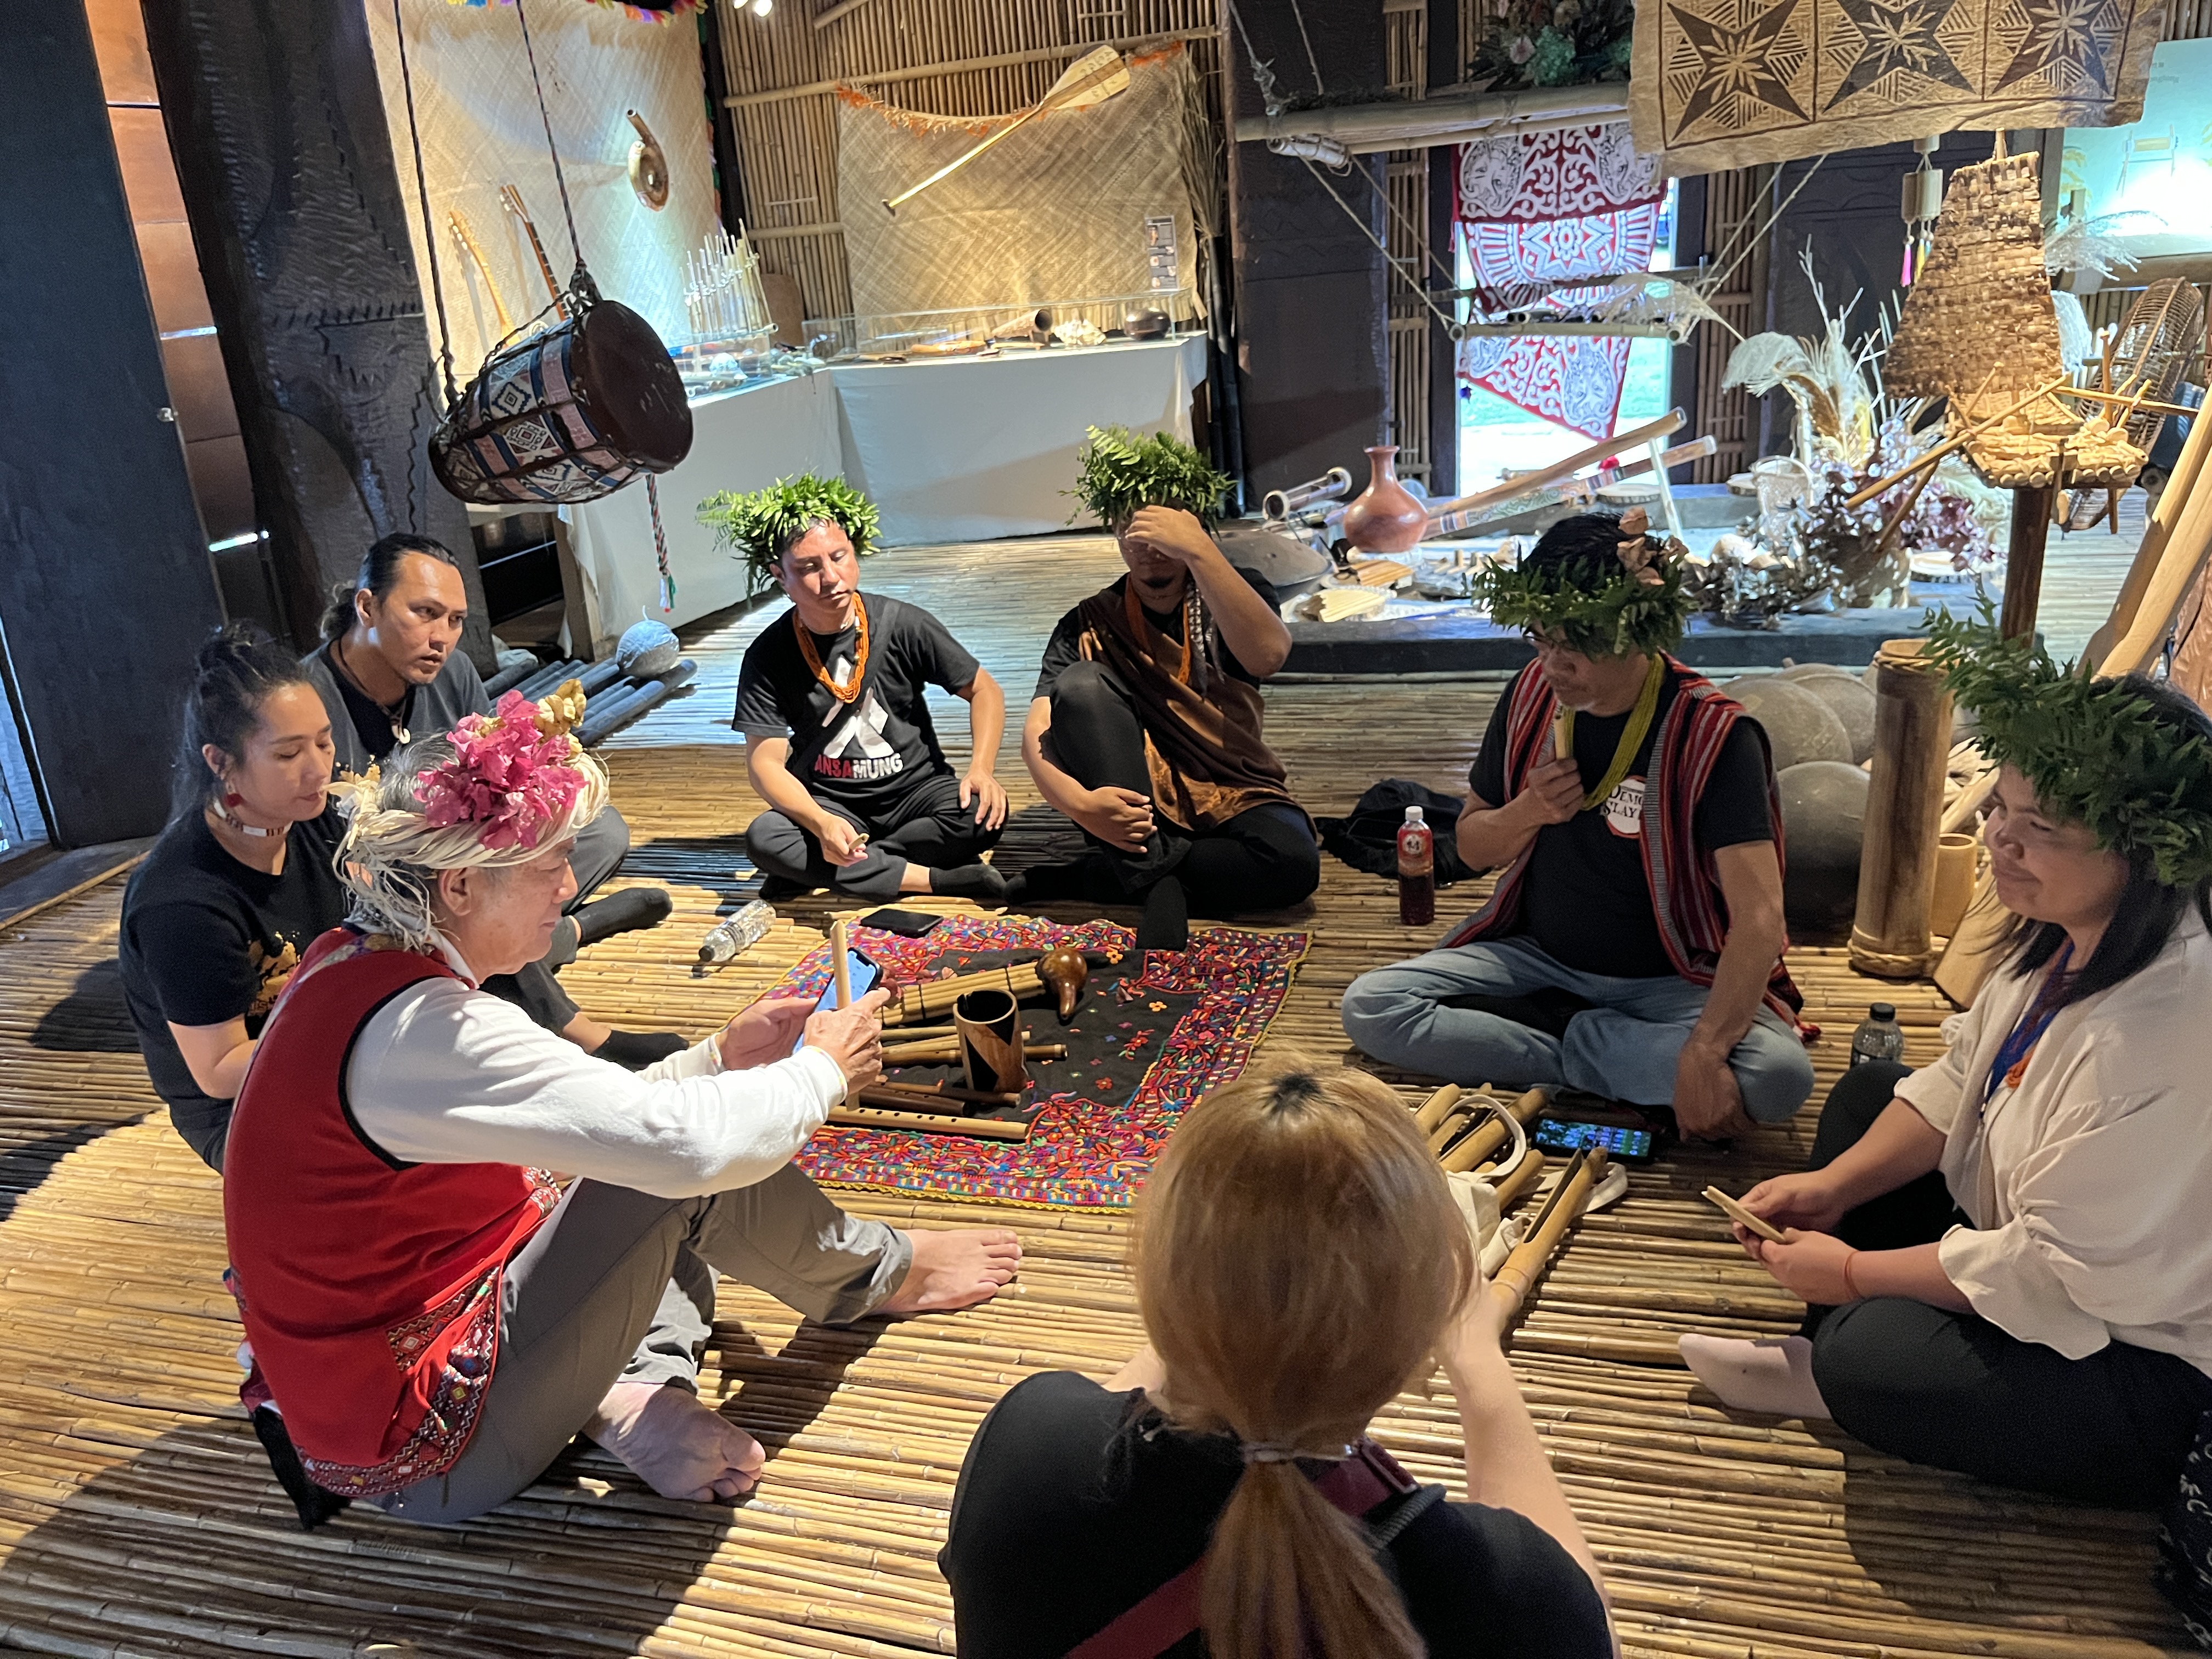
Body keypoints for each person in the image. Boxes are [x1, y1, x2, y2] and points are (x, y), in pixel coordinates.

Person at [222, 689, 1023, 1525]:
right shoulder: (430, 1030)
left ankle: (639, 1391)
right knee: (689, 1172)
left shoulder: (352, 964)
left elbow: (580, 1132)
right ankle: (877, 1275)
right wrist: (822, 1071)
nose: (570, 886)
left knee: (647, 1163)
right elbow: (685, 1152)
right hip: (423, 1458)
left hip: (385, 1386)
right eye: (548, 866)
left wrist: (719, 1057)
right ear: (458, 885)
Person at [1681, 613, 2212, 1513]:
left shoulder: (2167, 1025)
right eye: (2000, 805)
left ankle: (1844, 1358)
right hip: (2036, 1245)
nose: (1999, 838)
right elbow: (1962, 1078)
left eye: (2036, 825)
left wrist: (1851, 1272)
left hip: (2142, 1359)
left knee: (1864, 1351)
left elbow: (2053, 1269)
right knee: (1865, 1098)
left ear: (2144, 853)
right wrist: (1834, 1190)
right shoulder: (2067, 934)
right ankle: (1859, 1328)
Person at [941, 1062, 1612, 1658]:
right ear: (1418, 1331)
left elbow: (1152, 1391)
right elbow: (1590, 1630)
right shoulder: (1504, 1588)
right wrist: (1480, 1365)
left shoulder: (1026, 1448)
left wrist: (1221, 1289)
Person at [119, 626, 690, 1172]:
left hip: (354, 1016)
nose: (319, 768)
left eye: (323, 741)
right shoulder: (182, 902)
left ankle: (579, 979)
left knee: (465, 906)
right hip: (253, 1105)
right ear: (221, 763)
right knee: (466, 1127)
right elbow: (220, 1072)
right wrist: (371, 1032)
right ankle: (581, 936)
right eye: (290, 755)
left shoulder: (314, 814)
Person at [1341, 511, 1812, 1138]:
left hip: (1669, 982)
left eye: (1577, 643)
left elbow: (1759, 920)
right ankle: (1603, 1056)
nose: (1555, 664)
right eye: (1541, 638)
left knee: (1779, 1076)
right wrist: (1530, 810)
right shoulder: (1533, 693)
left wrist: (1701, 1050)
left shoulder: (1715, 735)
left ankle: (1561, 1042)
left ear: (1638, 629)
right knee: (1372, 1007)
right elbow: (1474, 847)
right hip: (1538, 962)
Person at [301, 532, 672, 1053]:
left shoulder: (452, 672)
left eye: (455, 620)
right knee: (451, 897)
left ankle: (557, 934)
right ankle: (575, 1012)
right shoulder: (306, 704)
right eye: (425, 612)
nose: (442, 637)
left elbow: (498, 781)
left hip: (469, 865)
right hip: (371, 886)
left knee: (599, 830)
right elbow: (311, 846)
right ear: (367, 606)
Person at [1019, 427, 1319, 950]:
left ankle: (1118, 876)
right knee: (1081, 684)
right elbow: (1037, 732)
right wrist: (1080, 806)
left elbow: (1268, 655)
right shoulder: (1089, 621)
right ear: (1115, 533)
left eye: (1166, 533)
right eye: (1135, 530)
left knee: (1293, 864)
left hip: (1231, 784)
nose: (1150, 549)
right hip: (1132, 802)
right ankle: (1157, 881)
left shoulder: (1232, 591)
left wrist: (1203, 554)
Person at [710, 475, 1010, 902]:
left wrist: (981, 769)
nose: (831, 577)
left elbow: (985, 692)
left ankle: (833, 867)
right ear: (780, 576)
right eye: (809, 568)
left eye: (839, 557)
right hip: (832, 801)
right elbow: (766, 765)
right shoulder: (768, 654)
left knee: (984, 817)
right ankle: (932, 880)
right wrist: (819, 823)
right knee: (766, 838)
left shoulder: (904, 623)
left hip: (916, 793)